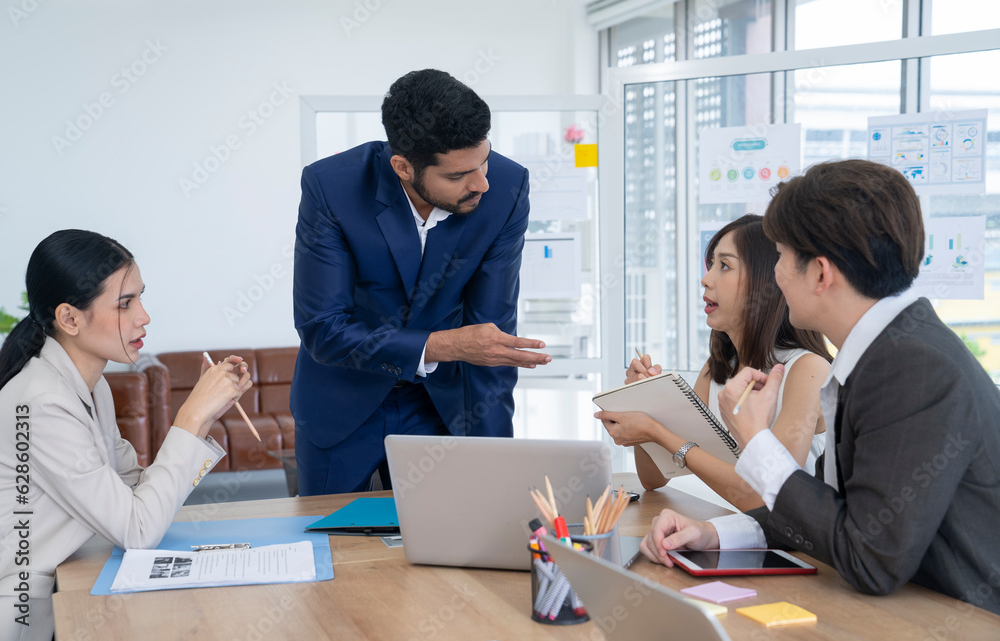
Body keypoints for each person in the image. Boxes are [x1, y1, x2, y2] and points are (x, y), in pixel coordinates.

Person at [639, 160, 1000, 614]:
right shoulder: (883, 351)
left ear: (821, 273)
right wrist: (715, 534)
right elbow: (833, 512)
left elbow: (869, 560)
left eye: (783, 258)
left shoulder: (911, 366)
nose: (778, 276)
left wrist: (757, 441)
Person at [291, 69, 550, 496]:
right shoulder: (331, 187)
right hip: (342, 401)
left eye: (483, 160)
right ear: (403, 167)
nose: (481, 182)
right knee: (333, 548)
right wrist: (444, 346)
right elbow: (324, 328)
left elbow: (490, 335)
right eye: (457, 176)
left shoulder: (505, 187)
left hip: (446, 404)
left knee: (455, 544)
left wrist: (496, 456)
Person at [0, 230, 253, 640]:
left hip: (71, 580)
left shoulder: (90, 386)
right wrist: (188, 417)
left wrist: (205, 417)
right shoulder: (43, 401)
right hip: (30, 613)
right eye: (124, 304)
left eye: (139, 298)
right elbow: (137, 529)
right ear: (69, 318)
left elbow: (134, 486)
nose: (143, 316)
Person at [595, 214, 832, 511]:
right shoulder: (715, 369)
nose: (706, 279)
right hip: (732, 534)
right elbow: (654, 478)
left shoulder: (808, 369)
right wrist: (646, 403)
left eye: (725, 266)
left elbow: (766, 496)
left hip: (790, 549)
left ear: (765, 281)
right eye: (710, 266)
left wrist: (658, 432)